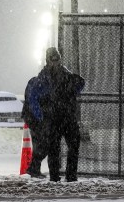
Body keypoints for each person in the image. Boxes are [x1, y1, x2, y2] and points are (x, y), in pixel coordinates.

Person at [26, 47, 85, 182]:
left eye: (57, 59)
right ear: (48, 61)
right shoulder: (44, 77)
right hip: (54, 118)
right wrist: (40, 115)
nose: (56, 63)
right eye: (53, 60)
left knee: (72, 145)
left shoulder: (64, 74)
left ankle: (70, 175)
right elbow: (34, 96)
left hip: (65, 117)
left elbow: (80, 82)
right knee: (54, 148)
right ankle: (55, 175)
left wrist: (71, 91)